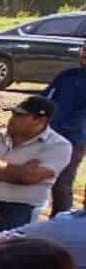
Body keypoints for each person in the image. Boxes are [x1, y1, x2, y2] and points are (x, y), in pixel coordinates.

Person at [0, 95, 74, 232]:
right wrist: (12, 174)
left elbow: (28, 177)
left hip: (18, 206)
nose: (11, 119)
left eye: (19, 116)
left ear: (40, 120)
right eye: (13, 114)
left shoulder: (58, 146)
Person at [42, 43, 86, 216]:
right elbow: (46, 97)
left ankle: (60, 221)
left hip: (74, 140)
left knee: (62, 184)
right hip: (47, 135)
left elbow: (81, 117)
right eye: (84, 49)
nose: (84, 54)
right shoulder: (67, 75)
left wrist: (61, 129)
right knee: (32, 175)